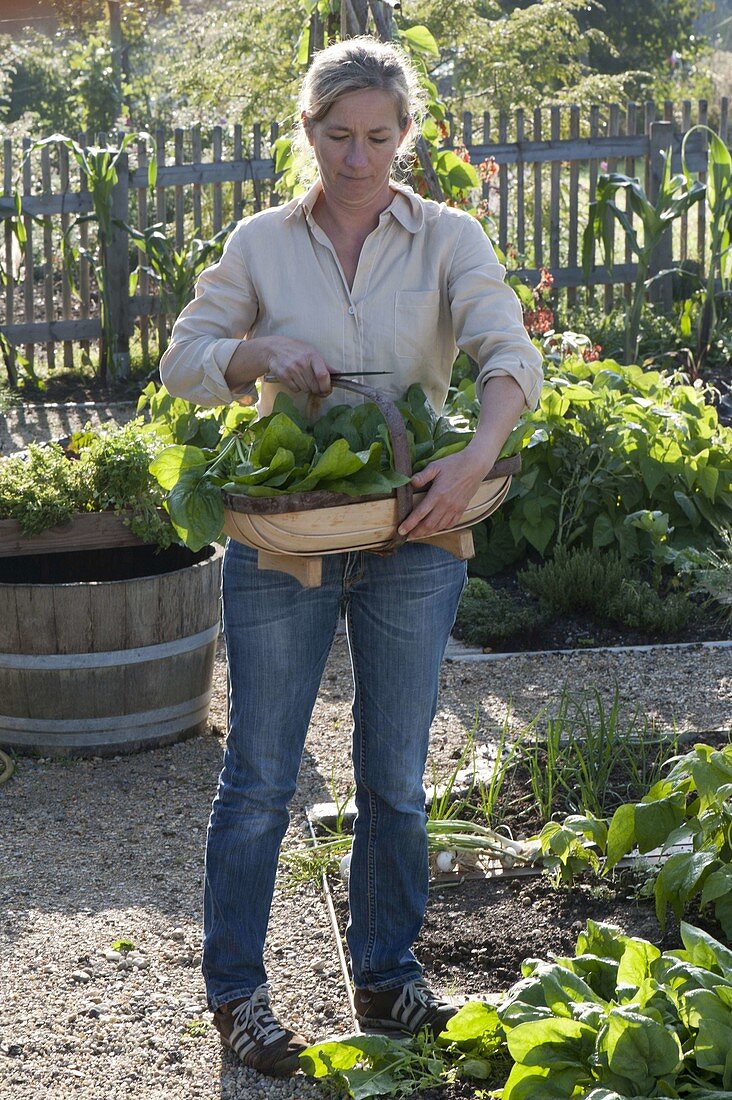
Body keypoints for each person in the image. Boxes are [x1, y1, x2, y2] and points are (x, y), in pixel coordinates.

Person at [160, 35, 543, 1079]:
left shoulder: (448, 237)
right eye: (338, 136)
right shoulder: (261, 243)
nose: (359, 158)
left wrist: (474, 458)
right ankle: (239, 994)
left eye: (379, 137)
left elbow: (510, 354)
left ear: (405, 137)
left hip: (415, 531)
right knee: (259, 777)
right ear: (309, 132)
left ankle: (385, 970)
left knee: (395, 775)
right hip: (288, 535)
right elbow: (181, 358)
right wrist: (251, 353)